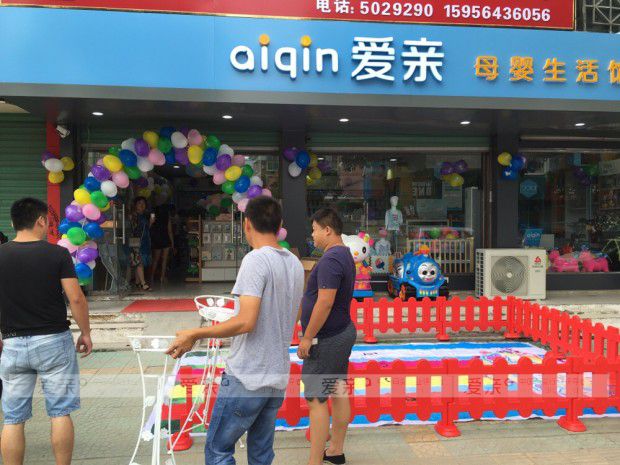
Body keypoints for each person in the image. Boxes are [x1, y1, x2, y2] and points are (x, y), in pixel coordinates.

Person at [166, 196, 304, 465]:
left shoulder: (256, 260)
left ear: (246, 224)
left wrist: (195, 334)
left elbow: (246, 321)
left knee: (218, 451)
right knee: (261, 455)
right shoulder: (294, 263)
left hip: (248, 376)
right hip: (276, 377)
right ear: (280, 226)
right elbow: (294, 315)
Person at [0, 198, 92, 465]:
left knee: (13, 418)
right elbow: (76, 298)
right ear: (41, 220)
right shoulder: (57, 254)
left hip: (12, 343)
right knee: (60, 412)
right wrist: (85, 332)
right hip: (54, 342)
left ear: (13, 223)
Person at [297, 208, 356, 465]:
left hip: (327, 338)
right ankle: (335, 450)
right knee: (338, 389)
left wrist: (307, 337)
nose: (312, 235)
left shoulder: (331, 259)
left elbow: (325, 302)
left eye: (314, 230)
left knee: (316, 399)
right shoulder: (344, 254)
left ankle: (314, 461)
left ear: (327, 230)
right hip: (341, 331)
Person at [128, 196, 152, 291]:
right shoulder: (133, 215)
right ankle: (143, 283)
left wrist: (150, 223)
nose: (142, 205)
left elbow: (146, 228)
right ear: (135, 205)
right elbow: (133, 228)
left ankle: (138, 282)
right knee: (139, 261)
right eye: (139, 203)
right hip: (135, 240)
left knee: (140, 261)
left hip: (144, 241)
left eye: (143, 203)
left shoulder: (144, 215)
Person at [150, 204, 174, 285]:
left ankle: (152, 276)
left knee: (155, 259)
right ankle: (162, 277)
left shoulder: (153, 214)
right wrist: (172, 243)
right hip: (165, 238)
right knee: (165, 259)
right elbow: (170, 231)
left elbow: (150, 225)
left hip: (156, 238)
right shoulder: (167, 216)